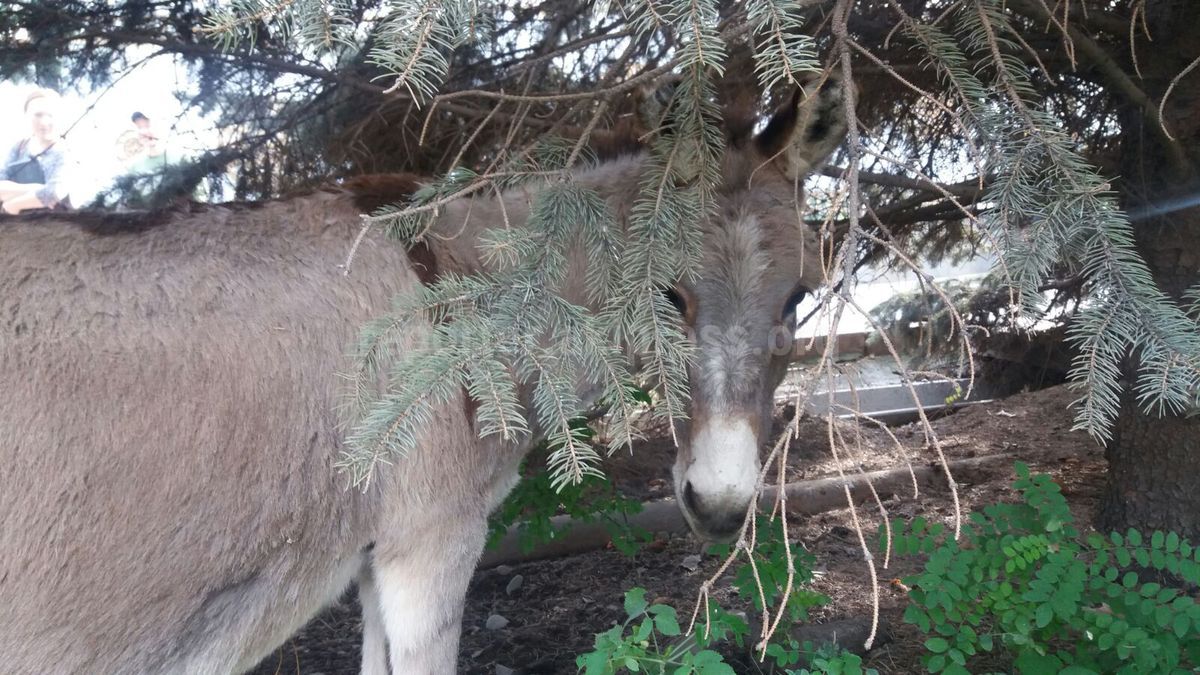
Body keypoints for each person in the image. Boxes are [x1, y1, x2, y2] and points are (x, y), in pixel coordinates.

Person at [0, 88, 71, 214]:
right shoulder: (18, 148)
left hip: (54, 224)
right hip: (15, 225)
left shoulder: (64, 151)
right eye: (38, 115)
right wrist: (36, 189)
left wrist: (13, 204)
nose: (44, 122)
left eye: (50, 115)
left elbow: (55, 193)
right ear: (27, 116)